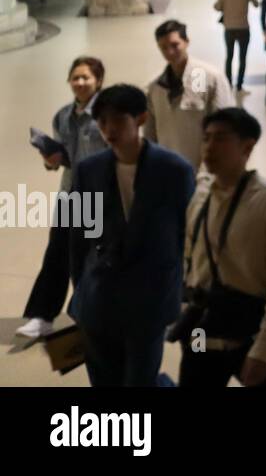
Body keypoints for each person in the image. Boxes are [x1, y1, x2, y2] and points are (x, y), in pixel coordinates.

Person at [67, 84, 195, 387]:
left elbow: (188, 235)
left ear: (140, 119)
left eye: (118, 120)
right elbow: (78, 236)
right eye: (102, 122)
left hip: (149, 301)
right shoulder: (88, 170)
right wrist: (82, 286)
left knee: (139, 380)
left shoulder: (174, 170)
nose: (109, 130)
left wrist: (183, 292)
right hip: (99, 301)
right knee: (103, 380)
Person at [177, 109, 266, 387]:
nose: (209, 147)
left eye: (220, 138)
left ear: (247, 146)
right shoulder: (200, 196)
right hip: (202, 334)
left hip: (252, 337)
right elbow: (190, 257)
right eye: (206, 138)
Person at [15, 57, 107, 339]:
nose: (79, 83)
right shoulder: (62, 115)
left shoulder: (107, 113)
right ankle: (42, 316)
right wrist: (51, 160)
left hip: (99, 198)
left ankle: (89, 317)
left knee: (91, 260)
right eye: (75, 78)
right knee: (57, 255)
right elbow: (59, 161)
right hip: (70, 195)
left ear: (98, 81)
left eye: (85, 78)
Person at [144, 20, 236, 172]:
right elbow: (150, 135)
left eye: (175, 45)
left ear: (186, 42)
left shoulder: (208, 77)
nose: (170, 52)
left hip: (204, 169)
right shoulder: (155, 88)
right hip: (168, 170)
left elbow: (226, 123)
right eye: (164, 48)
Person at [215, 0, 258, 91]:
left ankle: (228, 83)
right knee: (242, 57)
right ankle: (239, 84)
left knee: (229, 56)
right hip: (243, 28)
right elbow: (256, 4)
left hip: (229, 28)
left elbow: (218, 7)